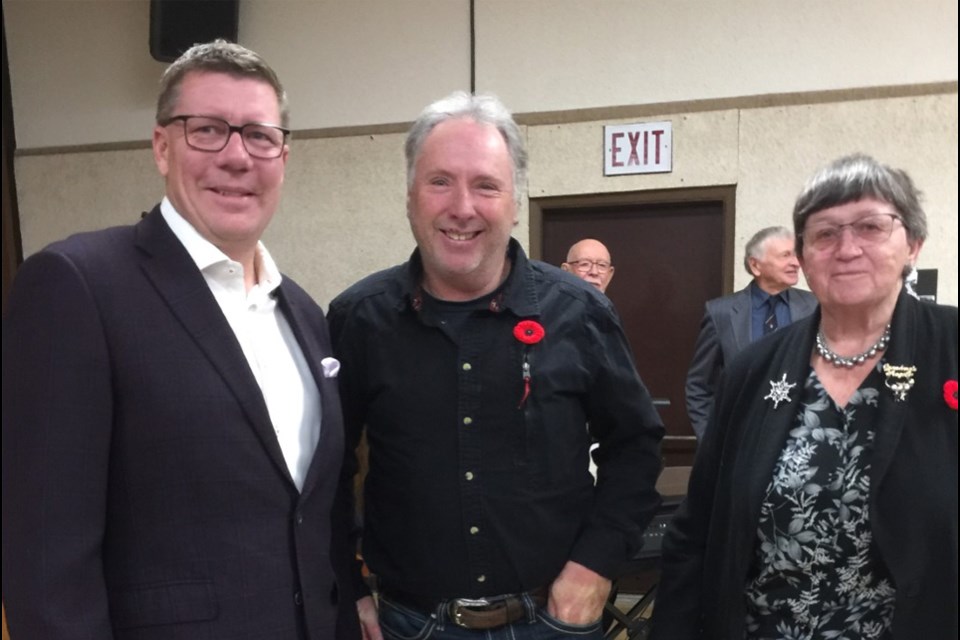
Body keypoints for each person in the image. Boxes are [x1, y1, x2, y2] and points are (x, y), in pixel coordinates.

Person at [1, 41, 359, 640]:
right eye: (208, 131)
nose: (237, 157)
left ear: (284, 156)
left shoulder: (301, 311)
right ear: (161, 147)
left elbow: (307, 523)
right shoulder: (78, 286)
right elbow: (45, 559)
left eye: (259, 135)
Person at [327, 91, 664, 640]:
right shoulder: (358, 320)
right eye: (440, 181)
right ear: (410, 196)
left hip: (550, 621)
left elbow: (635, 444)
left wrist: (597, 564)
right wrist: (348, 585)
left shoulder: (580, 313)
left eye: (486, 185)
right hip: (406, 625)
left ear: (513, 202)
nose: (462, 206)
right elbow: (329, 470)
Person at [651, 154, 957, 639]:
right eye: (825, 233)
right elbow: (698, 530)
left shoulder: (951, 347)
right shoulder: (754, 368)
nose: (847, 248)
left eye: (872, 227)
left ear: (913, 244)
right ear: (804, 255)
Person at [685, 226, 817, 438]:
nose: (796, 263)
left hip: (801, 439)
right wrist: (711, 441)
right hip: (742, 439)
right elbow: (699, 386)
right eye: (786, 255)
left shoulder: (815, 306)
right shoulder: (721, 313)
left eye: (796, 254)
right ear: (755, 265)